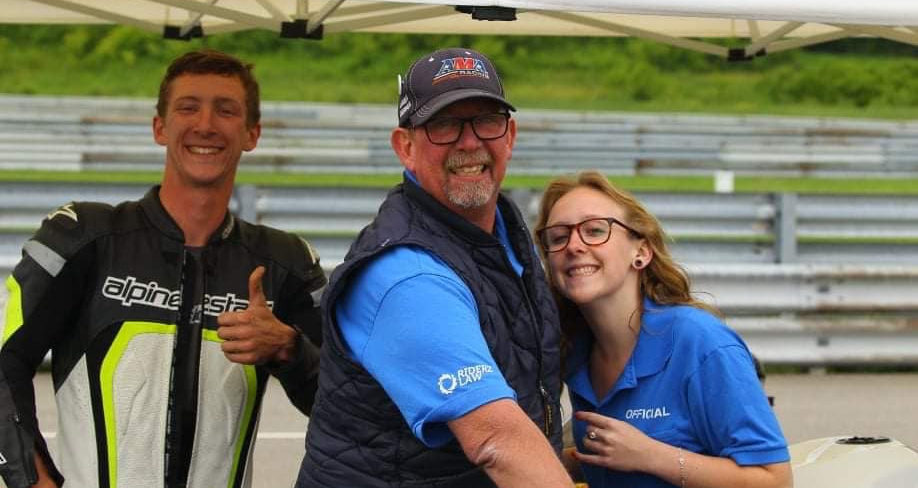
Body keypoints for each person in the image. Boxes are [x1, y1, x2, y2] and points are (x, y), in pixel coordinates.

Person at [0, 49, 327, 488]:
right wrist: (33, 482)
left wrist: (290, 350)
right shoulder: (84, 238)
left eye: (226, 110)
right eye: (188, 107)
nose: (206, 125)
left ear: (253, 134)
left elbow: (350, 407)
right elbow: (5, 364)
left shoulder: (284, 262)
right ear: (160, 127)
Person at [295, 47, 573, 488]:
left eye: (486, 120)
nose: (469, 142)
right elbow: (496, 440)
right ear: (405, 146)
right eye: (443, 125)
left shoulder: (503, 231)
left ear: (510, 136)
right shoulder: (406, 276)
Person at [533, 170, 793, 488]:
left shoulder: (700, 342)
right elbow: (614, 457)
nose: (574, 245)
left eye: (595, 230)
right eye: (558, 237)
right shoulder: (573, 350)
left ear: (641, 252)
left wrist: (650, 456)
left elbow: (775, 480)